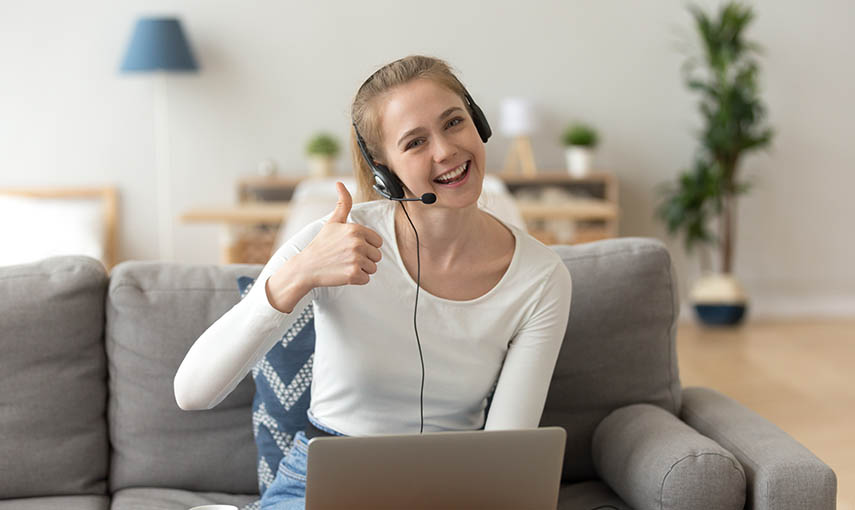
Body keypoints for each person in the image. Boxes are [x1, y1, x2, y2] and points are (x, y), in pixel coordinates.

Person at [173, 55, 572, 510]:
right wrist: (299, 273)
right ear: (383, 168)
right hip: (323, 482)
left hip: (452, 489)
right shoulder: (336, 240)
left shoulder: (541, 278)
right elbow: (192, 391)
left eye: (454, 122)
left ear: (477, 123)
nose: (444, 151)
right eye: (416, 141)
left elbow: (507, 456)